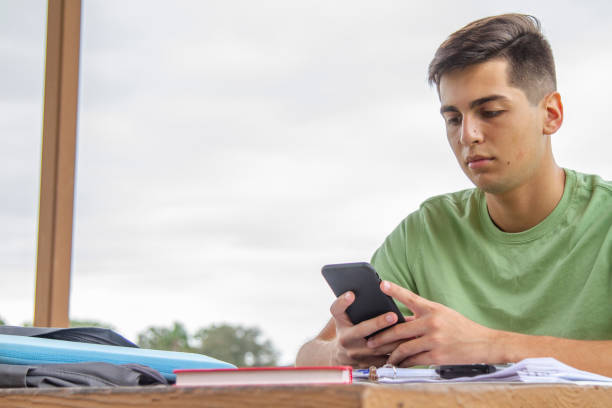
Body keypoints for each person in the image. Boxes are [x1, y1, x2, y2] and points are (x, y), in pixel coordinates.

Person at [296, 13, 612, 376]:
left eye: (490, 112)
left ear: (551, 114)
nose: (468, 136)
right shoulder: (425, 231)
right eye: (453, 118)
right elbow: (308, 356)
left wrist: (491, 345)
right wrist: (340, 354)